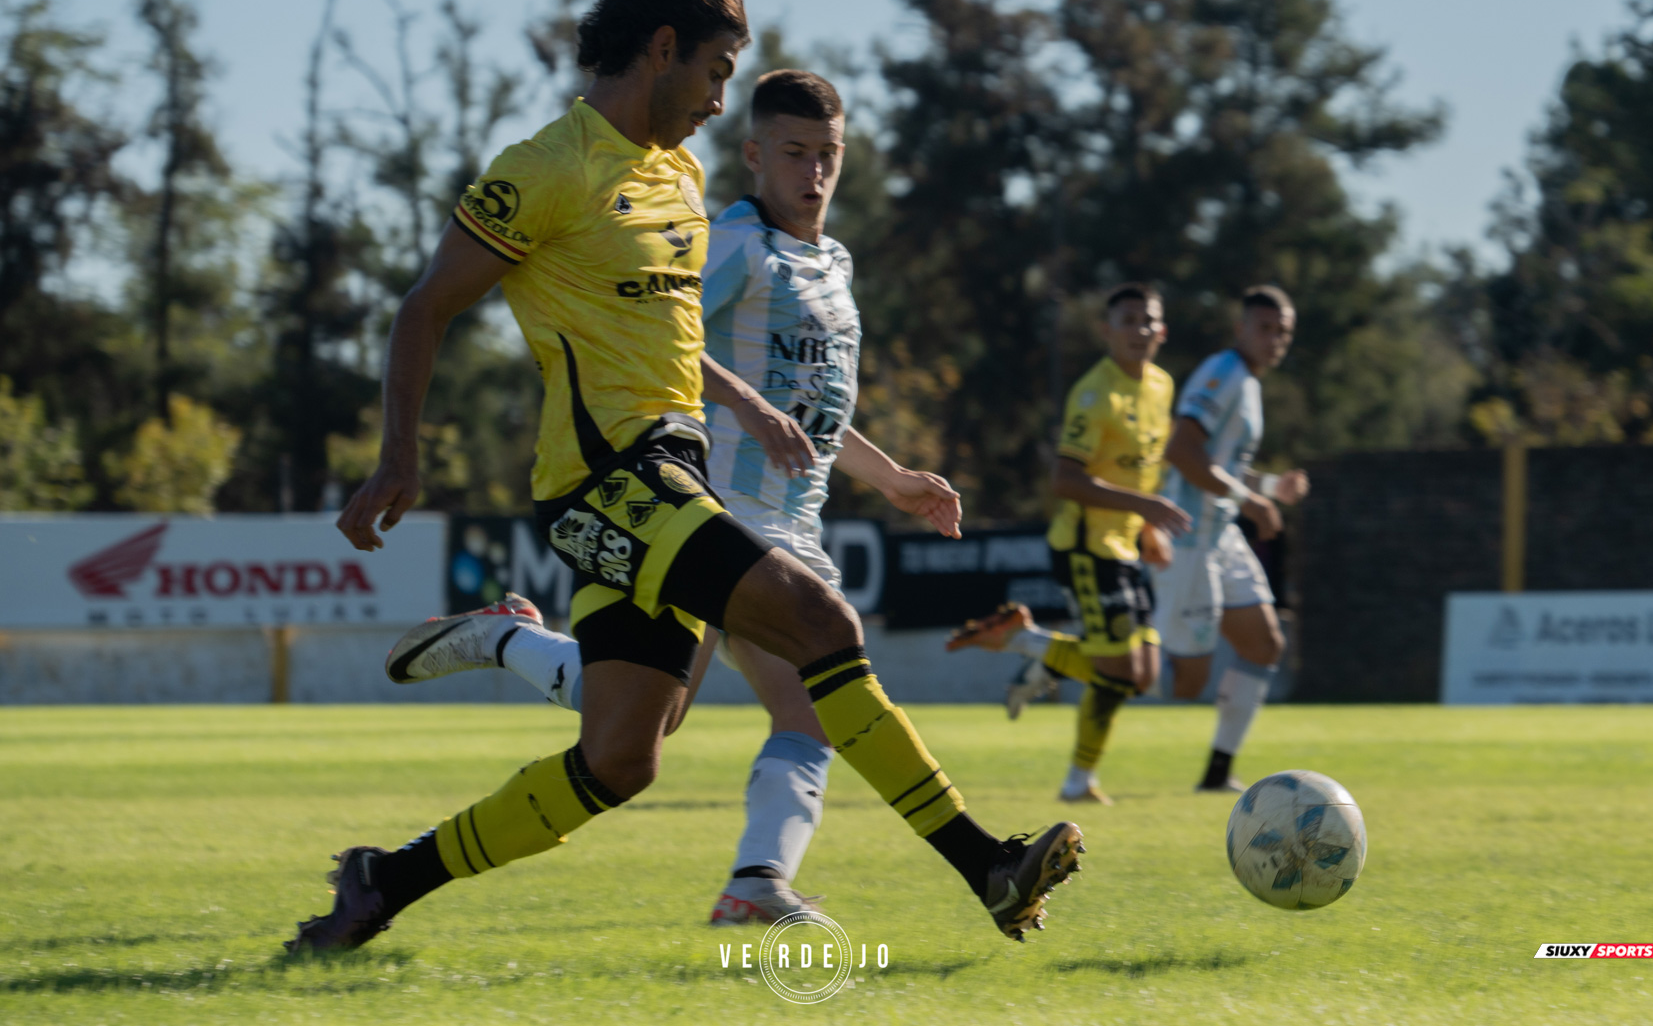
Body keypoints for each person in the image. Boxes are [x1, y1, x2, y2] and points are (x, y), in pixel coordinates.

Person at [287, 0, 1080, 954]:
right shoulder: (547, 168)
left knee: (622, 761)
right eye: (715, 70)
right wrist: (397, 453)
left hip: (672, 477)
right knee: (820, 620)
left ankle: (381, 882)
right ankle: (987, 864)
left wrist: (769, 421)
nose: (718, 98)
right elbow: (425, 306)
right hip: (606, 483)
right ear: (660, 49)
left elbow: (679, 347)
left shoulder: (679, 173)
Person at [383, 68, 969, 928]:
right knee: (805, 693)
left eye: (829, 155)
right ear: (755, 155)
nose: (814, 173)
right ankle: (761, 882)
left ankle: (508, 639)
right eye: (796, 153)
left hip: (791, 519)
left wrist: (893, 479)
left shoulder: (831, 261)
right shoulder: (733, 242)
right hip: (710, 503)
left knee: (638, 727)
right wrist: (745, 404)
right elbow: (669, 335)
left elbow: (819, 407)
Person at [945, 285, 1190, 804]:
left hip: (1125, 544)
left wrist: (1146, 529)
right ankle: (1076, 777)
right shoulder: (1093, 393)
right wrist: (1145, 510)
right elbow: (1064, 479)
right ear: (1107, 331)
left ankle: (1032, 646)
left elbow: (1143, 470)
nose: (1138, 330)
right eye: (1127, 320)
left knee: (1141, 674)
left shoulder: (1162, 385)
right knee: (1117, 672)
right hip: (1086, 548)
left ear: (1162, 331)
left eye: (1148, 321)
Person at [1155, 286, 1310, 792]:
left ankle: (1218, 774)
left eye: (1282, 331)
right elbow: (1182, 450)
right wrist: (1251, 500)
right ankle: (1045, 653)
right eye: (1264, 328)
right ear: (1240, 328)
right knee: (1185, 684)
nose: (1274, 339)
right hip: (1186, 536)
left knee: (1265, 644)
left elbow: (1222, 466)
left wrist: (1269, 488)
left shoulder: (1249, 384)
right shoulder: (1223, 373)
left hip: (1219, 535)